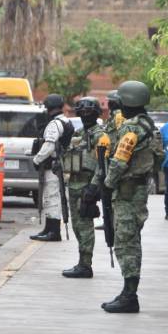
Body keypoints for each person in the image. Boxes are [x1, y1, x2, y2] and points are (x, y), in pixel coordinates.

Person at [102, 80, 156, 313]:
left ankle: (130, 295)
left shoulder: (132, 128)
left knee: (126, 242)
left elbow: (120, 160)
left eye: (121, 102)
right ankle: (127, 291)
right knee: (131, 240)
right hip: (137, 190)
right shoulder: (148, 124)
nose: (119, 107)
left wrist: (107, 183)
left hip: (128, 192)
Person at [61, 97, 106, 278]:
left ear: (96, 114)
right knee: (77, 226)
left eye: (89, 113)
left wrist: (94, 187)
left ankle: (85, 264)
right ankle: (81, 261)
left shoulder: (100, 136)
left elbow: (102, 165)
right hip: (74, 184)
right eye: (82, 112)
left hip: (87, 185)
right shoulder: (79, 133)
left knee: (85, 226)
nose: (86, 116)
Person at [31, 94, 73, 241]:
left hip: (54, 166)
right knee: (50, 197)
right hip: (59, 165)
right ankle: (48, 229)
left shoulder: (55, 124)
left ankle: (54, 232)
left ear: (48, 107)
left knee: (52, 198)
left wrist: (37, 160)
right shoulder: (65, 121)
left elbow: (49, 145)